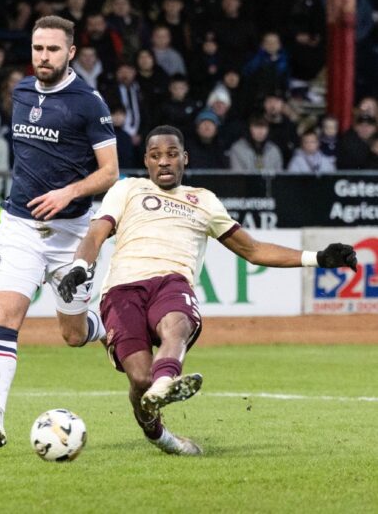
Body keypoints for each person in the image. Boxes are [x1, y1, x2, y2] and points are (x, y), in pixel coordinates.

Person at [57, 125, 358, 456]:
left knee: (177, 325)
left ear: (184, 158)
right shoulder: (128, 189)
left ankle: (164, 385)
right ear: (146, 161)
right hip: (122, 289)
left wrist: (317, 258)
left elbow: (253, 250)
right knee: (140, 379)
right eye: (156, 156)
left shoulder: (203, 201)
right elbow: (96, 234)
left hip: (171, 281)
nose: (164, 162)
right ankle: (159, 433)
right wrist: (79, 267)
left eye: (172, 155)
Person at [0, 16, 119, 448]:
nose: (42, 57)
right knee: (5, 314)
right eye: (37, 49)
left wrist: (68, 192)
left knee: (71, 335)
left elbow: (111, 173)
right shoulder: (22, 91)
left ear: (70, 52)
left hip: (72, 234)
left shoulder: (89, 103)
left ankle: (107, 328)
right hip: (20, 228)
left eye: (52, 49)